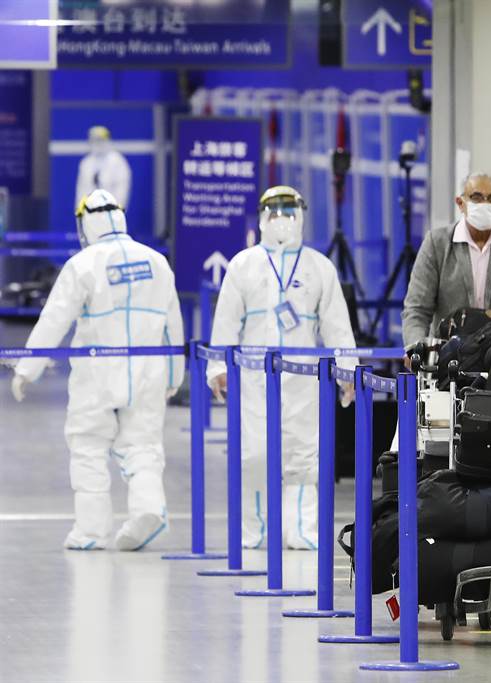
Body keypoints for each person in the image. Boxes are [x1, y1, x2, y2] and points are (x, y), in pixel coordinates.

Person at [11, 189, 184, 551]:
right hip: (149, 368)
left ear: (85, 222)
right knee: (143, 445)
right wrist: (174, 374)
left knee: (87, 444)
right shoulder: (156, 261)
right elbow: (173, 324)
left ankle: (91, 531)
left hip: (97, 371)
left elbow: (54, 319)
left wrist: (28, 368)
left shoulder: (83, 264)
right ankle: (149, 510)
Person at [206, 185, 356, 551]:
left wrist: (348, 369)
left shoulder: (319, 266)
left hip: (304, 378)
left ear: (302, 216)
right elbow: (226, 320)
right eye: (274, 214)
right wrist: (217, 367)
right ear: (261, 218)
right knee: (255, 454)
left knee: (303, 455)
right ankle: (254, 531)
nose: (282, 221)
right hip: (255, 377)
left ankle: (302, 529)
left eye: (289, 213)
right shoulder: (244, 265)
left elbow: (336, 323)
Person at [401, 173, 491, 348]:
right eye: (476, 197)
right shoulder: (437, 243)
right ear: (460, 203)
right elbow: (417, 308)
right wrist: (416, 348)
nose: (484, 204)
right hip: (449, 358)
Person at [75, 126, 132, 210]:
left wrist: (117, 208)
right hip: (90, 211)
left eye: (100, 140)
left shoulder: (117, 161)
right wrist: (80, 208)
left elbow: (122, 187)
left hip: (111, 210)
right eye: (94, 140)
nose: (98, 144)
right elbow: (81, 189)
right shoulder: (86, 163)